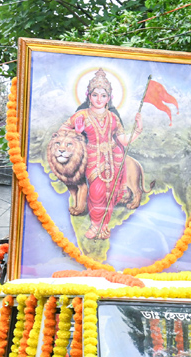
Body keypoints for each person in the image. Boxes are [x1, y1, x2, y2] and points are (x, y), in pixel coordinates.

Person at [60, 68, 145, 240]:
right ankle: (95, 225)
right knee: (97, 192)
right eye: (95, 95)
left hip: (112, 158)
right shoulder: (81, 115)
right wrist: (77, 132)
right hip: (91, 157)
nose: (99, 99)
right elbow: (63, 130)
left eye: (103, 95)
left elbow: (124, 140)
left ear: (109, 98)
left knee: (110, 193)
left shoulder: (113, 117)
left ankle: (104, 227)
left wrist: (138, 130)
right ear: (88, 96)